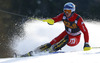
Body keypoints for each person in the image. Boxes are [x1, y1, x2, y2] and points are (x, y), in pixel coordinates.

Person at [21, 2, 91, 57]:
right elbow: (55, 19)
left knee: (67, 38)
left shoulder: (78, 19)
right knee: (51, 43)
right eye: (65, 10)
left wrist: (86, 43)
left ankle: (52, 49)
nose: (66, 13)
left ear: (72, 11)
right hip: (66, 33)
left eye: (68, 11)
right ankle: (34, 51)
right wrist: (51, 21)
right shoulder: (63, 15)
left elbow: (85, 31)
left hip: (75, 38)